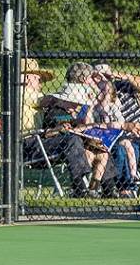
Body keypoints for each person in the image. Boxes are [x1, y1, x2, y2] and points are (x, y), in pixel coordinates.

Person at [19, 59, 103, 199]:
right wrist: (68, 96)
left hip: (38, 140)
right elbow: (48, 99)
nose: (41, 83)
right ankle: (79, 187)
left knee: (91, 142)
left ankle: (106, 186)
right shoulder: (22, 92)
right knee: (72, 139)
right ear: (27, 78)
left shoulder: (31, 95)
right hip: (27, 145)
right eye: (38, 79)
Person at [35, 62, 118, 198]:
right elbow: (48, 132)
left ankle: (108, 188)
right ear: (64, 100)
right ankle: (79, 187)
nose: (77, 106)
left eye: (78, 103)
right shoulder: (56, 111)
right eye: (74, 103)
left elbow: (88, 125)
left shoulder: (75, 111)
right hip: (59, 146)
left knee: (101, 149)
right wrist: (61, 128)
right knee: (74, 140)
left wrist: (88, 108)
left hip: (77, 145)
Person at [90, 65, 140, 197]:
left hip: (117, 135)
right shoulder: (92, 99)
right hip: (101, 136)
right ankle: (121, 186)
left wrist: (122, 76)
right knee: (121, 150)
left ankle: (131, 179)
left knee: (132, 147)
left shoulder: (116, 97)